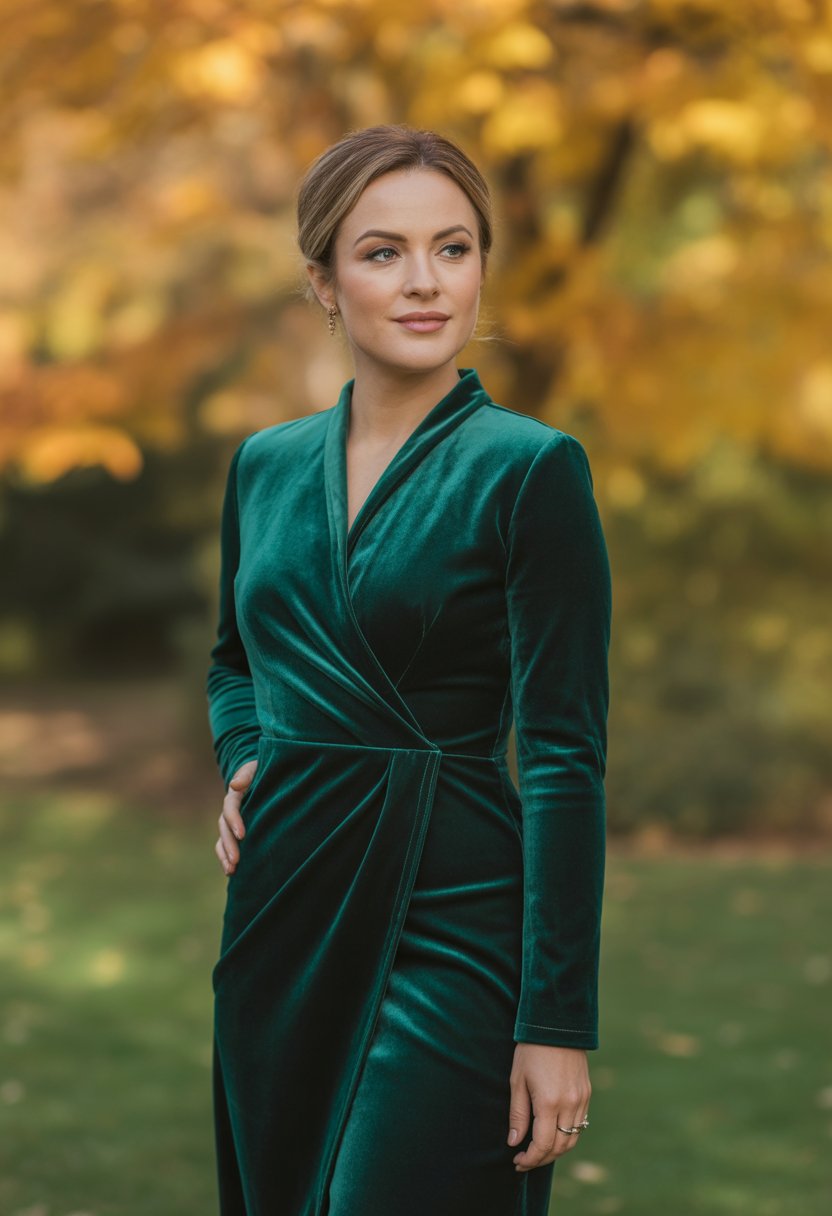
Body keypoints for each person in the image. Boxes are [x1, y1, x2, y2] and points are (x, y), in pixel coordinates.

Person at [206, 123, 611, 1216]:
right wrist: (246, 753)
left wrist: (557, 1021)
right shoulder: (265, 466)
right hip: (282, 925)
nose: (425, 282)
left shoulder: (531, 470)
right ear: (324, 282)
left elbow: (567, 759)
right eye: (382, 252)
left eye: (454, 248)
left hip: (454, 924)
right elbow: (235, 660)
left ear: (483, 269)